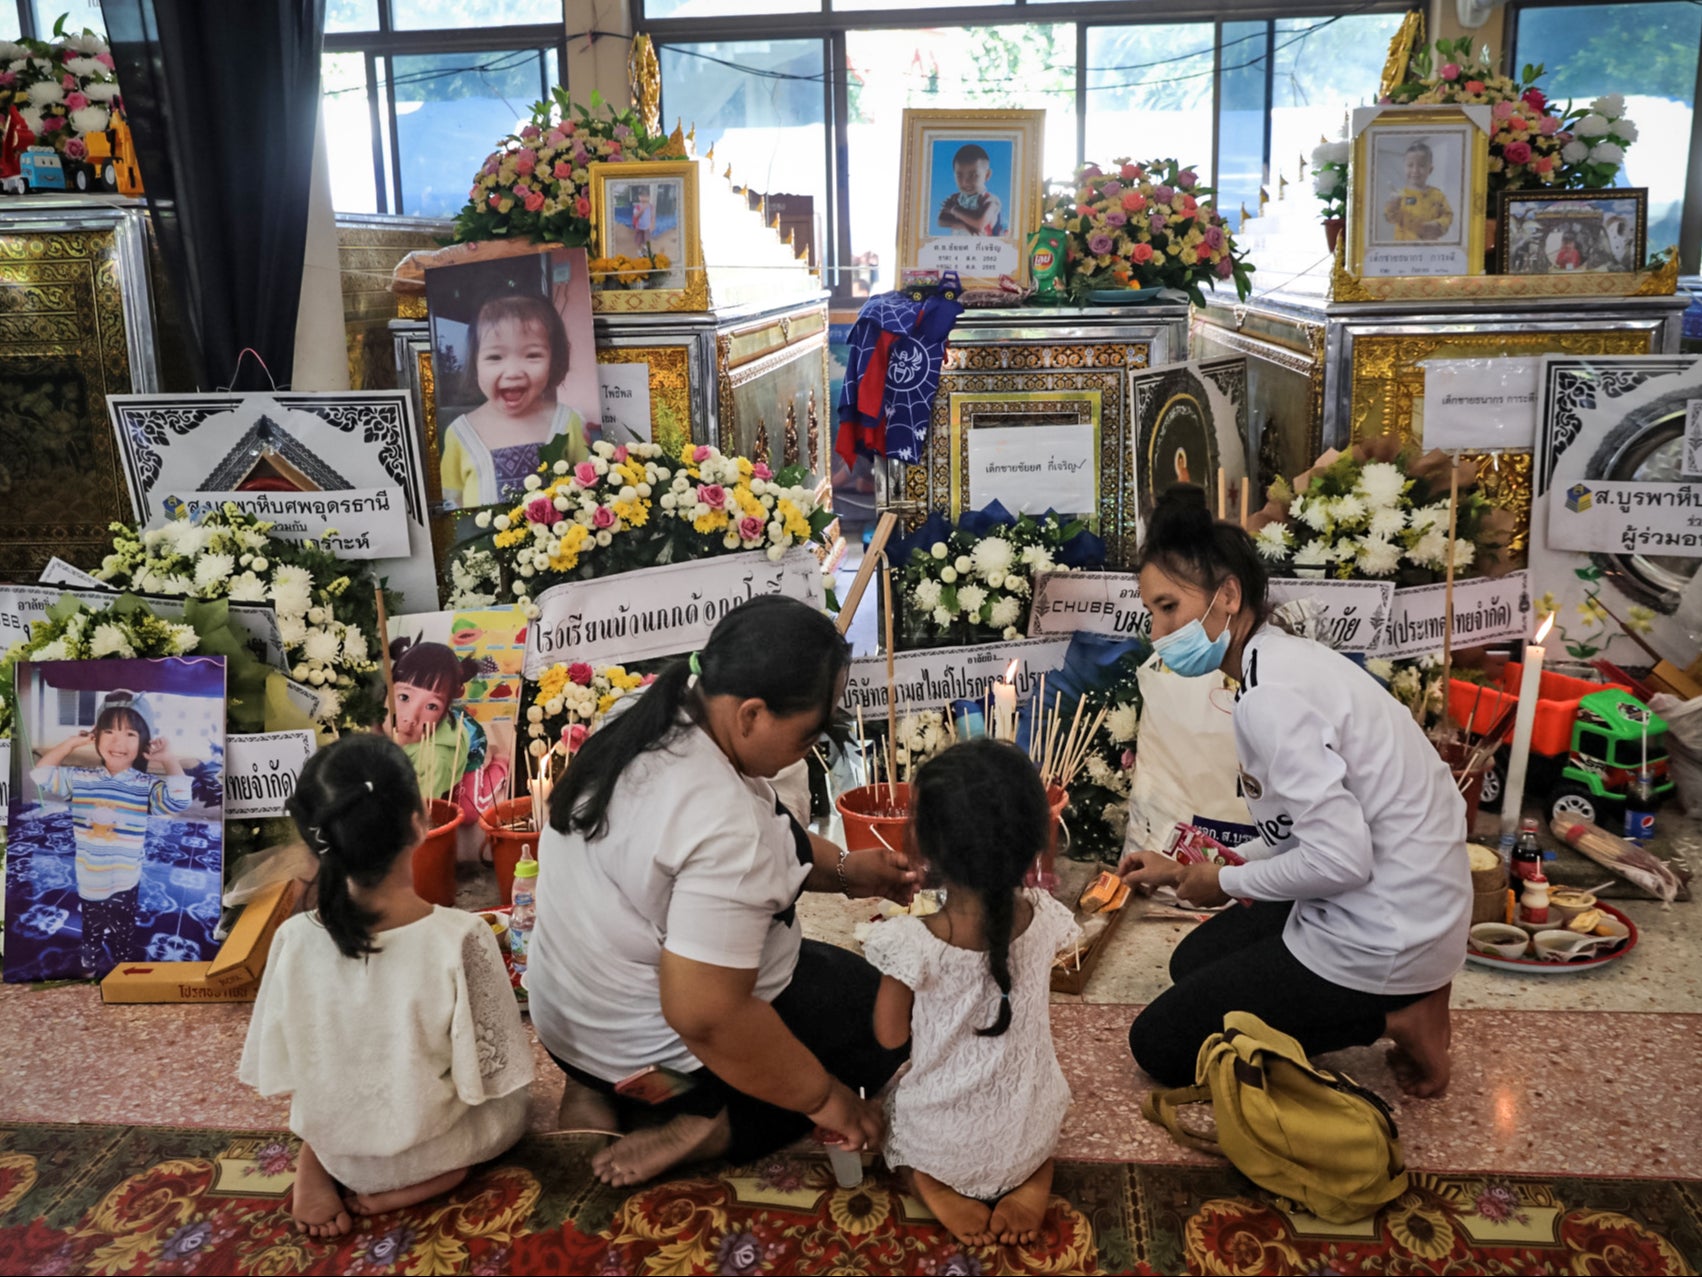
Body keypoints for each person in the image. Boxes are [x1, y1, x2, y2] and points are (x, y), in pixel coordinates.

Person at [527, 595, 919, 1188]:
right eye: (810, 730)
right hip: (667, 1065)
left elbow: (775, 833)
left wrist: (846, 872)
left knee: (820, 980)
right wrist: (830, 1101)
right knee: (883, 1024)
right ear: (752, 714)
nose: (811, 747)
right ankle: (706, 1125)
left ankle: (595, 1091)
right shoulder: (724, 825)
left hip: (567, 1029)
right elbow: (707, 1015)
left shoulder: (648, 711)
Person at [1120, 486, 1468, 1099]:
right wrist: (1187, 871)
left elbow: (1339, 859)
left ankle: (1399, 1012)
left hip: (1386, 930)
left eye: (1170, 608)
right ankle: (1402, 990)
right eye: (1152, 612)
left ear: (1228, 595)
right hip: (1402, 898)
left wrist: (1223, 883)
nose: (1158, 631)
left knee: (1159, 1046)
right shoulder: (1277, 660)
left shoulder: (1271, 699)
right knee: (1190, 966)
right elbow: (1301, 835)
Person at [240, 734, 533, 1238]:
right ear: (421, 822)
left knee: (334, 1073)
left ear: (317, 837)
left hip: (341, 1147)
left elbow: (287, 1061)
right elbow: (495, 1069)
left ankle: (316, 1159)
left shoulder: (291, 938)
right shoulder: (462, 938)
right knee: (516, 1103)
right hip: (439, 1147)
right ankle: (429, 1180)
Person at [865, 740, 1080, 1247]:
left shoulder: (909, 942)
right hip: (1029, 1119)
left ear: (923, 845)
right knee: (1036, 1125)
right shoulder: (1046, 918)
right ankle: (1032, 1174)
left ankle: (931, 1182)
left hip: (942, 1136)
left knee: (893, 1122)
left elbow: (889, 1036)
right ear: (1035, 839)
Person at [31, 690, 189, 978]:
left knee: (122, 931)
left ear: (143, 741)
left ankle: (122, 969)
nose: (118, 741)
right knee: (91, 927)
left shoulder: (145, 785)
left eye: (130, 733)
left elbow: (178, 801)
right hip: (89, 876)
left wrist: (168, 760)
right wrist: (71, 743)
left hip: (126, 878)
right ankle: (89, 963)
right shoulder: (80, 779)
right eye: (109, 731)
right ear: (96, 736)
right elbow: (40, 775)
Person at [440, 293, 589, 510]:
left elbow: (588, 486)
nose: (513, 372)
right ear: (475, 364)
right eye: (495, 357)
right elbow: (453, 500)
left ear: (554, 360)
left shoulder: (568, 422)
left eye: (532, 355)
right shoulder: (460, 433)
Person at [386, 636, 510, 825]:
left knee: (468, 813)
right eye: (404, 697)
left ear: (445, 709)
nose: (410, 718)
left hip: (469, 740)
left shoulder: (434, 758)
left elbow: (424, 813)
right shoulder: (376, 721)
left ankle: (500, 764)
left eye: (432, 706)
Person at [1382, 139, 1452, 242]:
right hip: (1405, 251)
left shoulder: (1438, 195)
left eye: (1422, 165)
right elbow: (1390, 218)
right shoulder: (1399, 196)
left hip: (1429, 249)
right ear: (1404, 168)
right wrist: (1393, 204)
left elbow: (1448, 215)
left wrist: (1439, 224)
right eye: (1410, 165)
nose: (1415, 170)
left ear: (1430, 169)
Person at [937, 144, 1005, 237]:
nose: (965, 182)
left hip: (984, 248)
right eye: (959, 175)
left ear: (987, 175)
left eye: (973, 175)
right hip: (958, 248)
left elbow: (980, 223)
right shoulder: (955, 198)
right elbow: (941, 220)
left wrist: (954, 210)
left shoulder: (989, 200)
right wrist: (964, 225)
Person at [630, 187, 656, 253]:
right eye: (642, 196)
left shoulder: (651, 206)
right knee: (639, 240)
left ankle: (645, 248)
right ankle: (639, 250)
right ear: (639, 197)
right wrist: (642, 209)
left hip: (647, 227)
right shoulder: (637, 206)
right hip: (639, 227)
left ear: (649, 197)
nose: (644, 198)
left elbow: (652, 216)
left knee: (647, 239)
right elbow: (636, 215)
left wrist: (652, 224)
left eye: (646, 196)